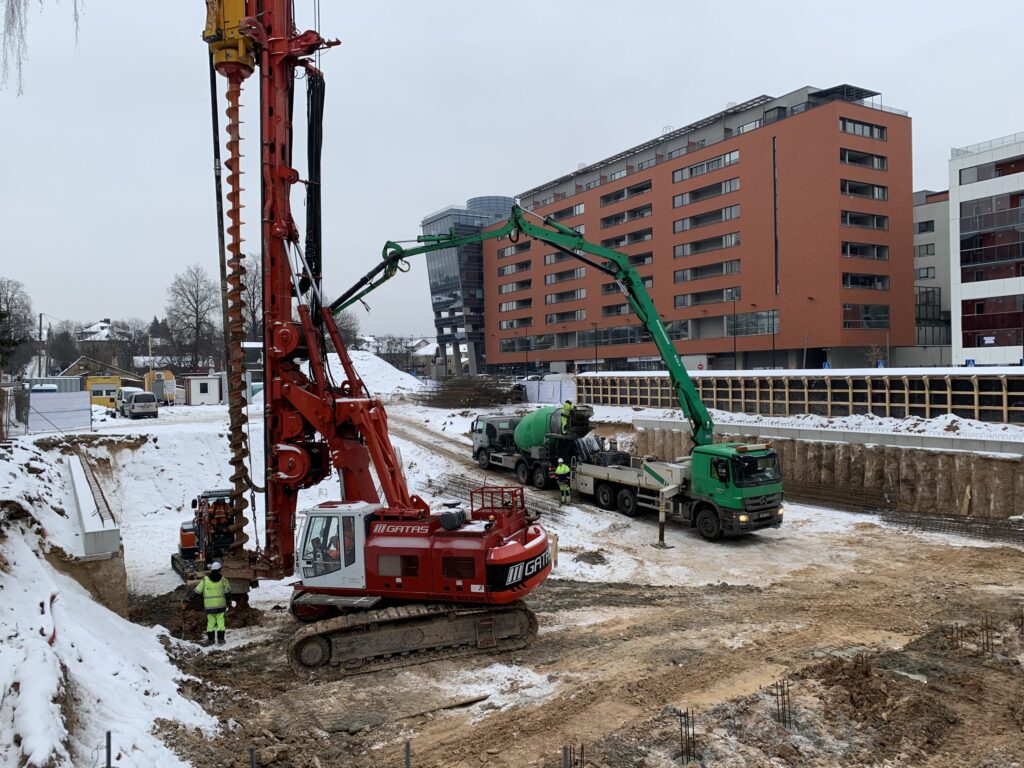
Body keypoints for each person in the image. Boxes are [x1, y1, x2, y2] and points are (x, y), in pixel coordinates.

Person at [193, 561, 232, 646]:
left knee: (211, 623)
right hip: (220, 606)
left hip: (209, 607)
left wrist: (188, 600)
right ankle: (221, 640)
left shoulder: (205, 580)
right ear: (219, 570)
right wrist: (229, 603)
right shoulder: (223, 580)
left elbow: (197, 592)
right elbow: (227, 593)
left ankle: (211, 640)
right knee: (220, 623)